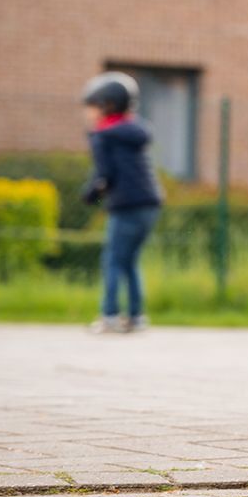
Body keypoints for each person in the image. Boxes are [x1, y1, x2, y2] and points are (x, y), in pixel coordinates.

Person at [80, 72, 163, 334]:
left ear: (108, 106)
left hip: (127, 205)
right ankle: (136, 317)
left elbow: (105, 175)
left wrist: (91, 193)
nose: (89, 113)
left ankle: (110, 316)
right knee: (129, 261)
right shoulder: (134, 130)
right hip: (150, 204)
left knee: (113, 260)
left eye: (92, 107)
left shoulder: (103, 136)